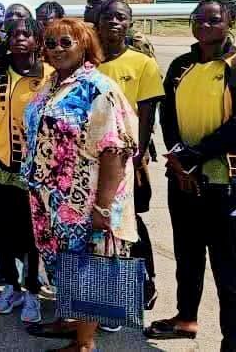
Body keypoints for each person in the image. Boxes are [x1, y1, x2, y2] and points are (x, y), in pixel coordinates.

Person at [145, 0, 236, 352]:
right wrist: (180, 160)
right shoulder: (182, 65)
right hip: (184, 179)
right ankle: (186, 318)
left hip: (229, 181)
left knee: (228, 265)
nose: (204, 24)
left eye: (214, 19)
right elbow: (168, 116)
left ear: (230, 22)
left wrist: (196, 155)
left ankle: (232, 344)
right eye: (198, 18)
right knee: (188, 254)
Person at [23, 18, 138, 352]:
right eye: (51, 42)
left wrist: (103, 208)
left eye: (66, 43)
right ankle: (67, 320)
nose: (57, 49)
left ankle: (85, 342)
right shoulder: (51, 84)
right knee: (62, 262)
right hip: (51, 197)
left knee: (89, 266)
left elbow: (114, 150)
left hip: (84, 198)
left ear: (85, 45)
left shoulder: (97, 89)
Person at [0, 16, 52, 322]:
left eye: (27, 34)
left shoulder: (50, 76)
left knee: (33, 236)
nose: (19, 38)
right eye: (14, 33)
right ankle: (11, 285)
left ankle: (33, 291)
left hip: (33, 169)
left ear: (37, 41)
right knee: (2, 231)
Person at [95, 0, 164, 310]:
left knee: (128, 225)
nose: (113, 22)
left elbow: (147, 116)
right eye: (107, 17)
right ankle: (96, 295)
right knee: (97, 228)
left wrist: (135, 160)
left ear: (129, 23)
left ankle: (142, 282)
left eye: (120, 17)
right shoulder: (89, 61)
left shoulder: (142, 63)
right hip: (91, 160)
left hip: (125, 162)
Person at [84, 0, 154, 58]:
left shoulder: (136, 40)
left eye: (97, 4)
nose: (89, 9)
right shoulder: (82, 34)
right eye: (89, 5)